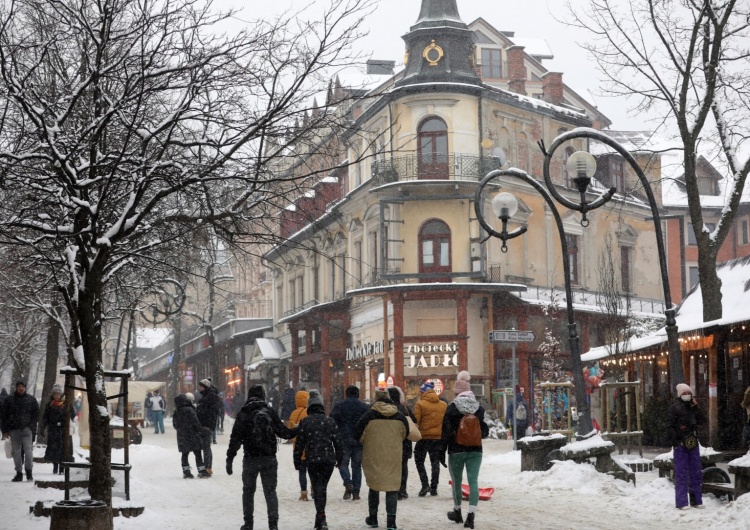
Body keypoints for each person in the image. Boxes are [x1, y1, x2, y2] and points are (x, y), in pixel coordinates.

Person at [226, 384, 298, 530]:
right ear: (263, 396)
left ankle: (248, 523)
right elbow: (284, 433)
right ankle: (273, 524)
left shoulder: (244, 413)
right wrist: (298, 429)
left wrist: (230, 458)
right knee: (270, 491)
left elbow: (235, 439)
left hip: (250, 458)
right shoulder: (269, 411)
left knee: (248, 491)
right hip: (269, 458)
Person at [355, 383, 409, 530]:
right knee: (392, 487)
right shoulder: (399, 415)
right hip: (393, 455)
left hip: (373, 454)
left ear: (375, 398)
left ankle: (373, 518)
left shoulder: (369, 414)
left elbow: (357, 432)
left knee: (375, 486)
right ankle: (391, 521)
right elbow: (405, 434)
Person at [441, 371, 489, 529]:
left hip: (456, 450)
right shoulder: (479, 409)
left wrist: (441, 451)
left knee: (457, 482)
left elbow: (446, 433)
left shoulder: (452, 408)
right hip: (476, 450)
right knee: (473, 481)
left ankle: (457, 511)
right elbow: (485, 432)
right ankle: (471, 515)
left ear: (457, 393)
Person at [293, 390, 342, 530]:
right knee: (322, 488)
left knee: (317, 486)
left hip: (313, 459)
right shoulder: (330, 421)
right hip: (328, 460)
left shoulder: (305, 422)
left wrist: (297, 460)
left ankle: (320, 515)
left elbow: (299, 444)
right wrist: (340, 458)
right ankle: (320, 516)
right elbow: (338, 442)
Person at [666, 383, 706, 510]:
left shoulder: (693, 407)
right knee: (681, 473)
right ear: (679, 395)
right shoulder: (674, 408)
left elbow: (702, 420)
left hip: (693, 442)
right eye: (684, 393)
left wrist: (696, 408)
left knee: (695, 472)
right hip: (680, 444)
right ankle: (682, 502)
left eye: (689, 393)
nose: (687, 395)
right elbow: (669, 426)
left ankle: (696, 500)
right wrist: (677, 440)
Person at [331, 385, 369, 501]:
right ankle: (356, 492)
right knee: (357, 466)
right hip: (359, 440)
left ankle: (348, 483)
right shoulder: (364, 407)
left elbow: (332, 421)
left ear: (346, 394)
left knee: (343, 463)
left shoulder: (339, 406)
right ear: (358, 394)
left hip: (343, 439)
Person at [413, 380, 447, 497]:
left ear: (423, 392)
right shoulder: (443, 405)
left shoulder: (420, 404)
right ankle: (434, 487)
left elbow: (416, 421)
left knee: (419, 461)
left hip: (423, 438)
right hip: (437, 437)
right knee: (435, 462)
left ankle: (425, 484)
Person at [1, 380, 40, 482]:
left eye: (22, 386)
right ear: (16, 387)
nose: (21, 388)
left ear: (25, 388)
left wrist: (32, 427)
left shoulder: (31, 400)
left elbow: (36, 415)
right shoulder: (10, 400)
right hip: (14, 430)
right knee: (16, 453)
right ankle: (19, 472)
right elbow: (3, 416)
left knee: (28, 451)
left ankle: (29, 471)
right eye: (19, 386)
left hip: (27, 430)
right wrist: (5, 430)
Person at [387, 386, 415, 500]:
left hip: (391, 441)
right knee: (403, 466)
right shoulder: (405, 409)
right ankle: (403, 490)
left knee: (393, 466)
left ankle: (394, 489)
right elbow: (414, 421)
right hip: (405, 441)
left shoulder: (387, 409)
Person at [173, 393, 208, 478]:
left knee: (185, 454)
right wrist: (201, 430)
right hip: (193, 435)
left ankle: (186, 472)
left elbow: (175, 425)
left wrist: (181, 429)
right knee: (198, 453)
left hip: (182, 436)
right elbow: (195, 422)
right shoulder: (190, 409)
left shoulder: (176, 411)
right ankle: (201, 471)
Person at [40, 385, 73, 475]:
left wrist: (69, 408)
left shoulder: (65, 404)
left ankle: (62, 468)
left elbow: (72, 415)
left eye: (58, 394)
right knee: (54, 449)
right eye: (55, 394)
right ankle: (55, 467)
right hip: (53, 430)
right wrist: (42, 428)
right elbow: (45, 417)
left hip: (63, 431)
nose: (56, 396)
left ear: (61, 394)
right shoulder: (50, 405)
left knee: (62, 450)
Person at [288, 389, 310, 499]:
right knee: (312, 471)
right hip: (310, 446)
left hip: (298, 446)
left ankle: (303, 493)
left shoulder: (293, 413)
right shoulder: (309, 412)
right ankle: (315, 489)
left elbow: (291, 430)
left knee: (302, 471)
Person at [196, 378, 221, 475]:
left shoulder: (211, 397)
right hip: (203, 425)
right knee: (205, 447)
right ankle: (206, 467)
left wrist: (208, 426)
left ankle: (207, 468)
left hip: (206, 426)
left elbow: (213, 414)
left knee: (206, 447)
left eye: (200, 386)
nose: (198, 388)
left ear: (205, 387)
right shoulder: (205, 396)